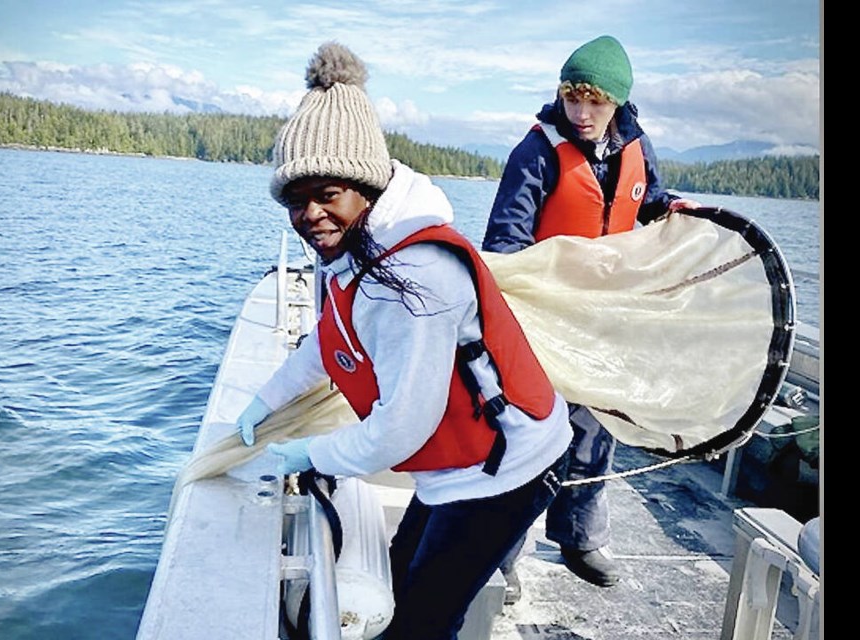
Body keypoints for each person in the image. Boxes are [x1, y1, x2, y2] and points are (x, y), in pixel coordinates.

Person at [236, 41, 573, 639]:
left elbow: (400, 428)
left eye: (327, 193)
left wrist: (312, 454)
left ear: (364, 186)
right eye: (295, 198)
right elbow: (329, 340)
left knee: (424, 619)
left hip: (508, 469)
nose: (310, 214)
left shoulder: (413, 280)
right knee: (398, 574)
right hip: (462, 464)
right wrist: (265, 402)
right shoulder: (358, 249)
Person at [482, 35, 700, 594]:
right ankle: (501, 553)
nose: (580, 113)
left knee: (595, 429)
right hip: (545, 319)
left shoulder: (636, 145)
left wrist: (669, 206)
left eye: (594, 103)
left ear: (617, 104)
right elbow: (504, 239)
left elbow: (644, 198)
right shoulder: (535, 151)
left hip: (604, 317)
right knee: (531, 435)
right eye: (572, 98)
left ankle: (579, 536)